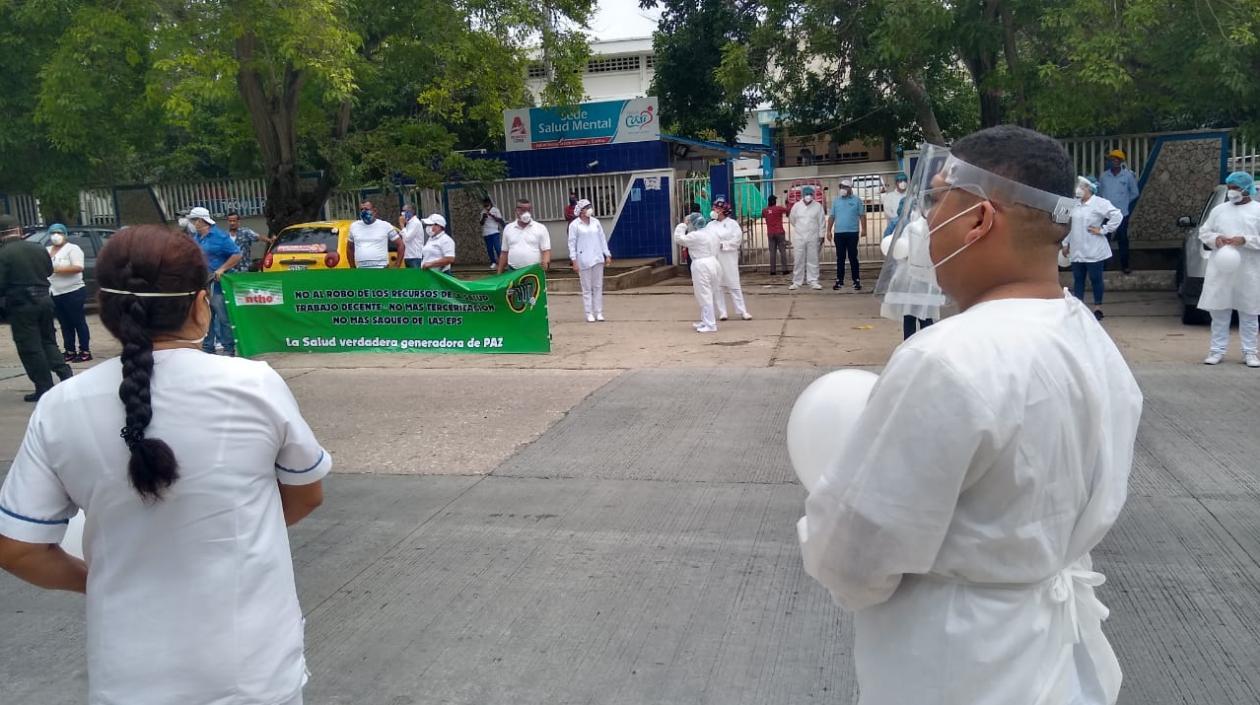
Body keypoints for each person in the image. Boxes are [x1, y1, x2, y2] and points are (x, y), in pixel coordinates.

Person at [804, 126, 1143, 705]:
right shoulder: (1087, 337)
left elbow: (855, 554)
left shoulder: (947, 358)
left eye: (938, 199)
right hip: (1051, 659)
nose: (927, 220)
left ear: (979, 220)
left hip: (955, 665)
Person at [0, 225, 330, 705]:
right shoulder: (253, 385)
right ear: (200, 305)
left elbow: (18, 550)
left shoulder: (61, 406)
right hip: (253, 669)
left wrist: (102, 579)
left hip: (128, 676)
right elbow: (306, 494)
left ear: (107, 309)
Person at [0, 214, 73, 400]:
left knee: (30, 347)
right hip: (45, 300)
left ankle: (44, 387)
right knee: (48, 341)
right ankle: (66, 375)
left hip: (21, 305)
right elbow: (49, 271)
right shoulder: (38, 247)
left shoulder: (3, 254)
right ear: (19, 230)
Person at [1197, 171, 1260, 367]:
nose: (1232, 191)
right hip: (1221, 269)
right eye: (1230, 188)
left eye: (1235, 188)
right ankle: (1217, 350)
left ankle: (1250, 352)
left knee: (1249, 311)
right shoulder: (1219, 210)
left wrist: (1245, 240)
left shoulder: (1257, 211)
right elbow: (1204, 232)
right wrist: (1216, 239)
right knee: (1219, 310)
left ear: (1247, 189)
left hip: (1248, 269)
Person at [1064, 176, 1123, 320]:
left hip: (1094, 249)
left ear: (1090, 189)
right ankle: (1078, 308)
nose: (1078, 189)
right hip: (1077, 248)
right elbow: (1070, 226)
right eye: (1078, 186)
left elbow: (1117, 215)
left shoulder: (1099, 203)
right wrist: (1066, 243)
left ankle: (1098, 308)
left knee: (1096, 278)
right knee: (1078, 279)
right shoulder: (1074, 204)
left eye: (1082, 187)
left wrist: (1103, 229)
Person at [187, 206, 241, 357]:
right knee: (206, 317)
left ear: (200, 221)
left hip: (218, 285)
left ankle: (228, 348)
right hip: (202, 284)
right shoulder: (196, 238)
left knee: (223, 318)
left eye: (193, 220)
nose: (192, 223)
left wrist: (222, 269)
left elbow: (236, 254)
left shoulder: (220, 237)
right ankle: (207, 347)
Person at [46, 223, 92, 362]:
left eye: (59, 232)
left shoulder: (73, 249)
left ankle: (85, 350)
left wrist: (56, 269)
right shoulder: (47, 250)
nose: (56, 235)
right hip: (55, 292)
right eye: (53, 233)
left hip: (73, 291)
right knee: (65, 323)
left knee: (78, 321)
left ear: (65, 234)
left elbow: (78, 267)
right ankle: (69, 350)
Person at [674, 212, 722, 333]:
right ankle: (706, 320)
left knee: (704, 295)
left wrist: (683, 224)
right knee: (708, 293)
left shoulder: (695, 236)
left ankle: (710, 325)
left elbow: (679, 238)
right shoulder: (711, 233)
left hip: (701, 264)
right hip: (713, 262)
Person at [567, 198, 612, 322]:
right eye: (587, 207)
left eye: (590, 207)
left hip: (597, 257)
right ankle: (589, 313)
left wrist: (607, 254)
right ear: (581, 210)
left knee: (598, 286)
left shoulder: (596, 222)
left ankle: (599, 312)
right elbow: (571, 244)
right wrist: (574, 261)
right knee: (587, 288)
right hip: (583, 259)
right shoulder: (574, 225)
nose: (590, 209)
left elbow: (602, 239)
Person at [1097, 149, 1141, 274]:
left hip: (1122, 213)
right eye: (1112, 159)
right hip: (1106, 214)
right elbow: (1099, 194)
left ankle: (1125, 265)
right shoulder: (1103, 176)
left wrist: (1125, 202)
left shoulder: (1128, 176)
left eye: (1116, 159)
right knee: (1104, 239)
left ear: (1121, 161)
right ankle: (1103, 266)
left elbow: (1135, 193)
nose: (1114, 161)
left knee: (1123, 239)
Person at [710, 198, 751, 321]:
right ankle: (722, 312)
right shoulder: (710, 225)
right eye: (714, 208)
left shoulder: (732, 224)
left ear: (724, 210)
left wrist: (724, 245)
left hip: (728, 257)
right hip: (715, 258)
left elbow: (737, 240)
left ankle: (742, 311)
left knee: (734, 284)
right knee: (717, 286)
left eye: (717, 208)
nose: (714, 210)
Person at [828, 178, 866, 291]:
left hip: (852, 232)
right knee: (840, 257)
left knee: (853, 257)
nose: (842, 189)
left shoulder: (857, 200)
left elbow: (862, 215)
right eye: (841, 187)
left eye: (845, 187)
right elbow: (832, 216)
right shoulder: (836, 201)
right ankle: (839, 280)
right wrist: (828, 231)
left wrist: (864, 229)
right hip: (839, 233)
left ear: (850, 188)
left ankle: (856, 280)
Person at [498, 198, 551, 274]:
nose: (526, 213)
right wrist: (499, 272)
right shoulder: (508, 228)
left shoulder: (541, 228)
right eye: (523, 210)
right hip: (513, 271)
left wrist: (546, 262)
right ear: (516, 210)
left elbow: (546, 250)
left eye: (528, 210)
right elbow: (504, 253)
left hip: (534, 271)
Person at [788, 186, 826, 290]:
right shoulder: (796, 206)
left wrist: (821, 235)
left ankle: (813, 281)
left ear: (813, 195)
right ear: (802, 195)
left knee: (813, 259)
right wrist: (800, 228)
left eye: (810, 194)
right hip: (799, 236)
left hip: (813, 236)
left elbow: (822, 221)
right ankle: (797, 282)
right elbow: (792, 219)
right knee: (798, 259)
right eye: (806, 194)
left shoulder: (817, 206)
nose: (808, 196)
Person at [348, 200, 403, 270]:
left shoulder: (385, 226)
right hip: (361, 268)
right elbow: (349, 248)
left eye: (367, 209)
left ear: (374, 211)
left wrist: (397, 265)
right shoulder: (354, 226)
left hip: (381, 268)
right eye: (361, 209)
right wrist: (352, 267)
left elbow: (400, 245)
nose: (364, 212)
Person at [762, 194, 790, 276]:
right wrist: (787, 203)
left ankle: (772, 271)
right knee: (782, 251)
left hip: (770, 233)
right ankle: (784, 270)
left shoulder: (765, 210)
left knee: (772, 252)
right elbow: (788, 210)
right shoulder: (779, 208)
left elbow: (763, 216)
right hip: (780, 232)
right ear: (775, 201)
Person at [480, 197, 506, 270]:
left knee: (497, 248)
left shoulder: (495, 210)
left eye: (487, 204)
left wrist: (492, 216)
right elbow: (481, 223)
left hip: (495, 232)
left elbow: (500, 220)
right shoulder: (483, 211)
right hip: (486, 233)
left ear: (490, 203)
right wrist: (483, 217)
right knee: (489, 249)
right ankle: (493, 262)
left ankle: (501, 262)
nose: (486, 206)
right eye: (484, 205)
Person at [880, 172, 909, 238]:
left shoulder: (911, 195)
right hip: (893, 230)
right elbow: (888, 213)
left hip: (908, 229)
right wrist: (899, 220)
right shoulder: (889, 196)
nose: (903, 183)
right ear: (896, 183)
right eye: (900, 181)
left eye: (905, 180)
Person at [399, 204, 427, 269]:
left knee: (416, 275)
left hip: (415, 256)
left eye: (405, 211)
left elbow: (407, 238)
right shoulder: (409, 223)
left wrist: (402, 225)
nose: (402, 213)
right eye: (402, 211)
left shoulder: (415, 223)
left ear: (412, 212)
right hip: (408, 255)